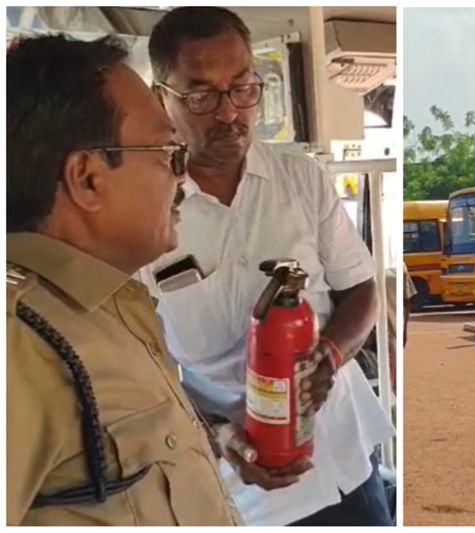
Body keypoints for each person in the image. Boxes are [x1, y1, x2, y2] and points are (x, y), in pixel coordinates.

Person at [139, 7, 394, 526]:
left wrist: (329, 356)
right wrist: (216, 432)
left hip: (345, 458)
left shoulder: (301, 178)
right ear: (159, 97)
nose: (230, 113)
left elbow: (361, 289)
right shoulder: (140, 212)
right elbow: (142, 372)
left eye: (244, 87)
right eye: (202, 96)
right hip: (242, 489)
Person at [6, 35, 239, 526]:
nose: (183, 176)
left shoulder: (110, 307)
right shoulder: (19, 342)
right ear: (87, 177)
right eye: (168, 151)